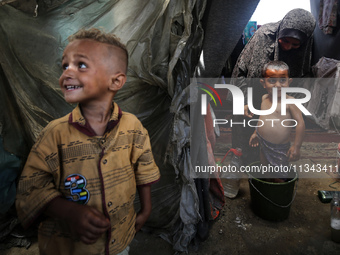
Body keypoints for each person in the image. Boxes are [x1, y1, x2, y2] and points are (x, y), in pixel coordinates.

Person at [15, 28, 160, 255]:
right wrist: (66, 212)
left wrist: (146, 210)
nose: (67, 73)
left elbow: (144, 169)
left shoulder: (133, 127)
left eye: (81, 65)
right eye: (65, 66)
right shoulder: (55, 134)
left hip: (119, 238)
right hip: (70, 247)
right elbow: (30, 187)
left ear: (116, 81)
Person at [231, 8, 315, 166]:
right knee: (245, 142)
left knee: (276, 148)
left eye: (295, 44)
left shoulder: (306, 45)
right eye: (285, 41)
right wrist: (242, 101)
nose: (288, 47)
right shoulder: (264, 34)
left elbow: (303, 76)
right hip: (251, 94)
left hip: (281, 99)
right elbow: (240, 69)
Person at [249, 61, 305, 182]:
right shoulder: (264, 98)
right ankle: (267, 188)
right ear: (263, 83)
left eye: (282, 80)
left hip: (280, 148)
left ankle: (279, 194)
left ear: (289, 82)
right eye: (272, 81)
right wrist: (255, 133)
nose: (278, 85)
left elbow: (300, 123)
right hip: (263, 143)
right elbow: (261, 118)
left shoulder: (291, 102)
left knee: (280, 174)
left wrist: (296, 146)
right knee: (265, 170)